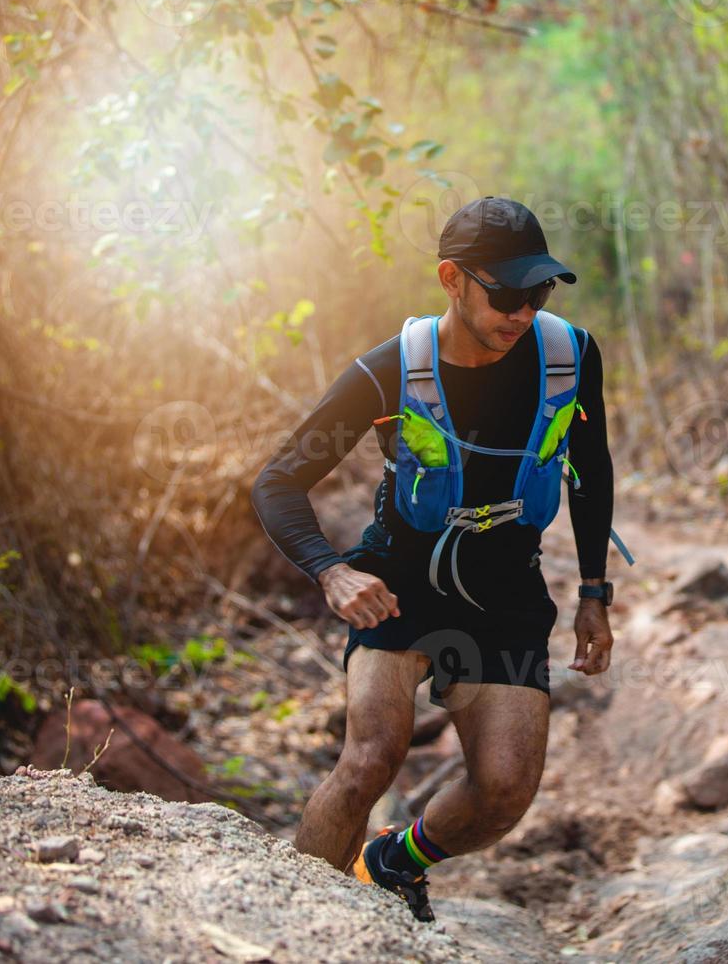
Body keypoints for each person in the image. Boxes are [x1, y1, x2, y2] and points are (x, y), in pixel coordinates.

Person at [251, 196, 622, 924]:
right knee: (369, 759)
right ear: (452, 279)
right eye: (506, 292)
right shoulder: (389, 371)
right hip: (399, 584)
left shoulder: (570, 358)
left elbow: (594, 470)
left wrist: (595, 593)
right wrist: (332, 569)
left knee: (505, 788)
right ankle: (293, 927)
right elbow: (278, 481)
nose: (523, 310)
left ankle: (391, 863)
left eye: (538, 290)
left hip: (505, 590)